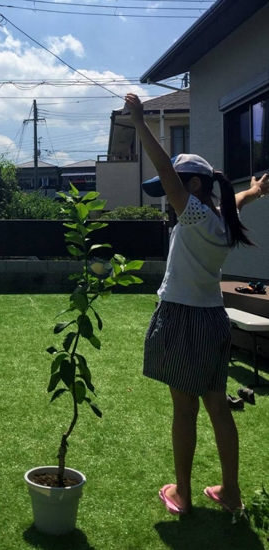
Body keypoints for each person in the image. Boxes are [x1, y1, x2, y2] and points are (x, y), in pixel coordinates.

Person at [124, 93, 269, 515]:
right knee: (217, 406)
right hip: (212, 321)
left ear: (192, 187)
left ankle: (183, 495)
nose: (168, 198)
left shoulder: (192, 214)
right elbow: (234, 201)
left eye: (174, 191)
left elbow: (166, 173)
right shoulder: (220, 219)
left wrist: (139, 122)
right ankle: (231, 493)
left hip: (182, 318)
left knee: (183, 411)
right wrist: (256, 190)